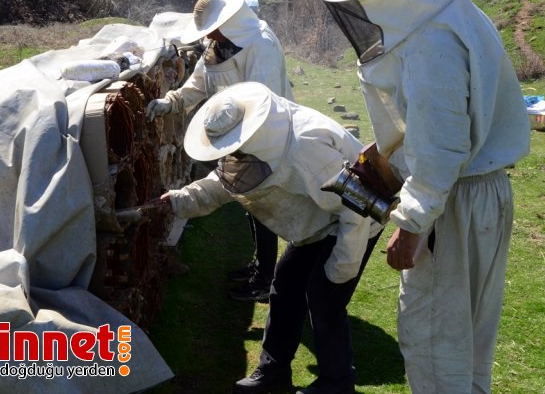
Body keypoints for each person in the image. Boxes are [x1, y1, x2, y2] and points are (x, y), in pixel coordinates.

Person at [319, 0, 530, 394]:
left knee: (435, 341)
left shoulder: (429, 44)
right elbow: (445, 121)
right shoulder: (458, 17)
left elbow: (441, 149)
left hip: (451, 200)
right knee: (468, 338)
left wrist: (411, 225)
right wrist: (392, 148)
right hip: (480, 191)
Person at [160, 81, 384, 394]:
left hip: (355, 221)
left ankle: (337, 384)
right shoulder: (252, 148)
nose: (230, 153)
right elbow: (224, 183)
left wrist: (340, 269)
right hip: (317, 223)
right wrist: (178, 201)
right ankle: (273, 373)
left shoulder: (306, 148)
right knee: (286, 287)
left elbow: (355, 209)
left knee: (324, 297)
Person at [147, 0, 294, 302]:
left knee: (263, 204)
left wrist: (246, 144)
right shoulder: (218, 45)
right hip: (235, 136)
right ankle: (260, 267)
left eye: (212, 28)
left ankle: (266, 281)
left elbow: (263, 101)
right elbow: (199, 83)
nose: (208, 35)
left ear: (228, 22)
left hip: (265, 137)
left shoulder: (260, 45)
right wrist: (171, 102)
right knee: (250, 203)